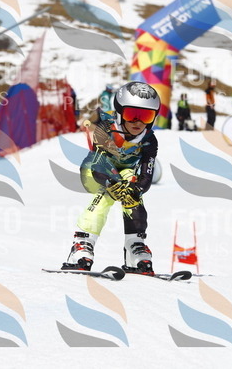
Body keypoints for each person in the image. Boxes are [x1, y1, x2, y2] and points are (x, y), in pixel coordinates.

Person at [62, 81, 161, 275]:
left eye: (146, 116)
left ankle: (135, 244)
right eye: (132, 114)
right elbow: (99, 165)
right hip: (95, 171)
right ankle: (82, 242)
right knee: (107, 194)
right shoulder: (106, 128)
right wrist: (110, 182)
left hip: (125, 171)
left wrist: (137, 189)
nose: (138, 122)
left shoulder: (149, 139)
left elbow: (146, 174)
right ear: (119, 112)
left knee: (132, 192)